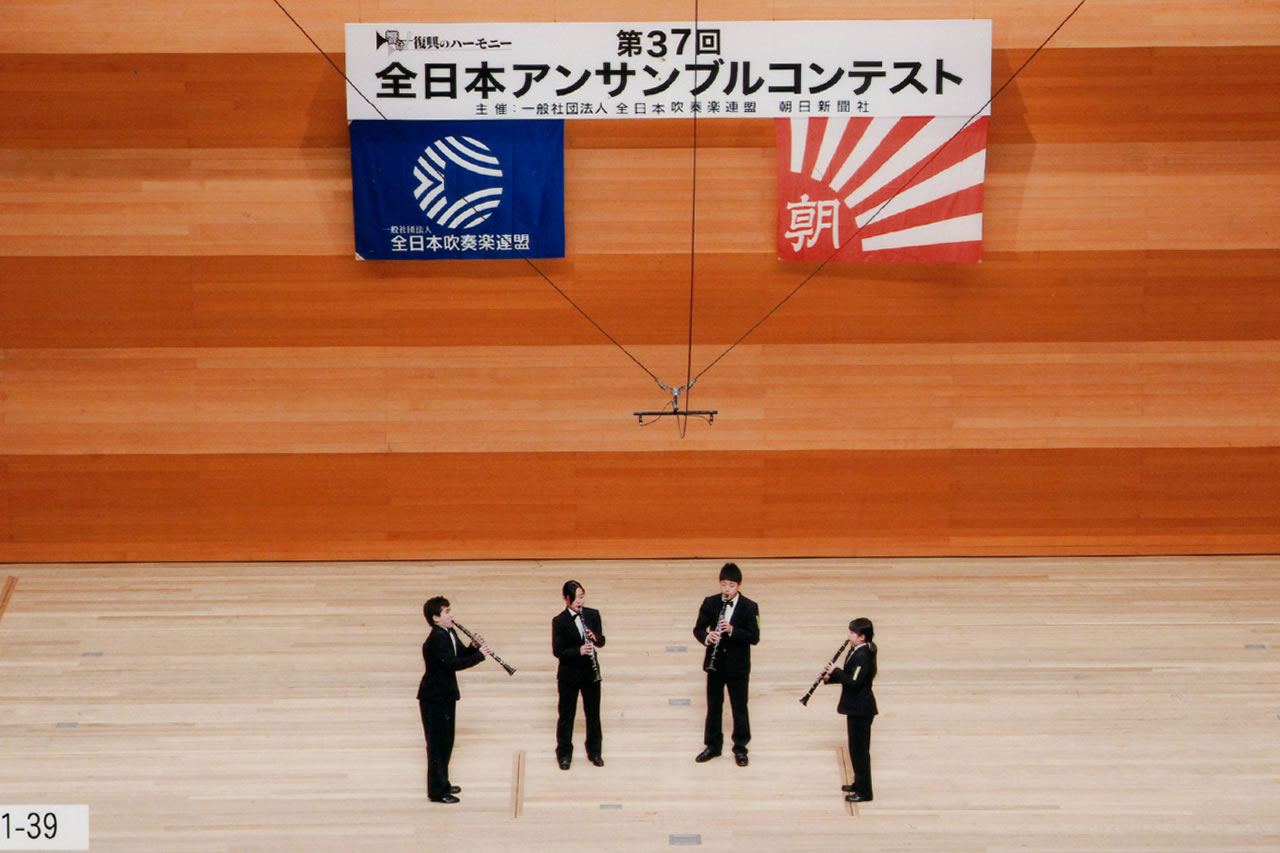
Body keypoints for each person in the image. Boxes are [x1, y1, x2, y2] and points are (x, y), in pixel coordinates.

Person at [417, 596, 491, 804]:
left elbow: (459, 654)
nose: (452, 615)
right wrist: (480, 656)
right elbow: (452, 664)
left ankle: (444, 783)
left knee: (446, 742)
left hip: (445, 695)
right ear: (436, 618)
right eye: (447, 612)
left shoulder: (449, 632)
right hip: (434, 698)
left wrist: (474, 647)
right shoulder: (436, 640)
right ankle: (437, 791)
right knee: (437, 745)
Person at [692, 562, 760, 766]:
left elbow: (754, 637)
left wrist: (731, 630)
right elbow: (698, 629)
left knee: (739, 707)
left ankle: (740, 748)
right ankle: (712, 746)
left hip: (738, 667)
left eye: (731, 585)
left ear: (738, 586)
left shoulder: (750, 606)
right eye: (723, 585)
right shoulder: (710, 603)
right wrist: (707, 636)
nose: (727, 589)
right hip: (716, 665)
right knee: (714, 706)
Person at [551, 580, 607, 769]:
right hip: (569, 675)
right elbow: (558, 651)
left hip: (590, 673)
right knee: (566, 715)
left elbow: (602, 641)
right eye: (576, 597)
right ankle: (564, 754)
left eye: (582, 596)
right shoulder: (559, 621)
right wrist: (578, 650)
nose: (580, 601)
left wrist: (595, 638)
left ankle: (595, 751)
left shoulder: (593, 615)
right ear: (566, 599)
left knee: (593, 714)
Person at [823, 617, 878, 803]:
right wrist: (831, 678)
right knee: (855, 750)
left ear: (862, 637)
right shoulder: (856, 650)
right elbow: (850, 676)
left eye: (852, 633)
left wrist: (836, 671)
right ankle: (858, 783)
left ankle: (865, 792)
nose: (849, 636)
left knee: (860, 751)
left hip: (861, 709)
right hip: (855, 707)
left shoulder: (863, 656)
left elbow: (854, 682)